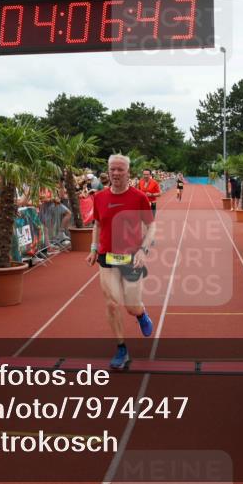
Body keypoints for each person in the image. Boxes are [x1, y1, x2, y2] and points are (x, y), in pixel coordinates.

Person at [86, 154, 157, 370]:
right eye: (112, 169)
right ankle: (121, 348)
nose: (116, 173)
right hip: (106, 257)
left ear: (128, 172)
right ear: (108, 171)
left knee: (131, 306)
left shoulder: (138, 198)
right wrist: (93, 248)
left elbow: (151, 226)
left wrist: (144, 250)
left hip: (131, 258)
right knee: (112, 303)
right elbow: (97, 224)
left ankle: (141, 313)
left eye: (120, 169)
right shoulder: (99, 197)